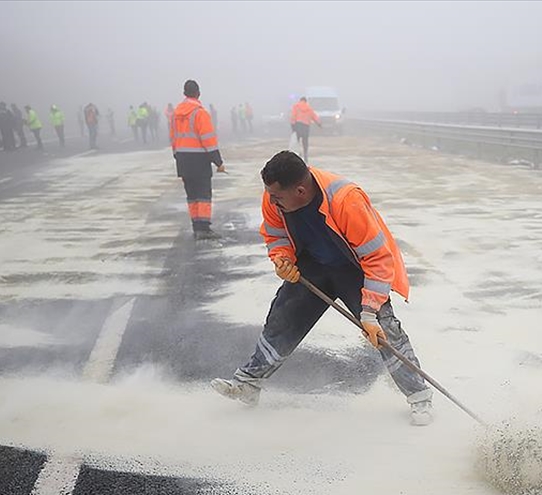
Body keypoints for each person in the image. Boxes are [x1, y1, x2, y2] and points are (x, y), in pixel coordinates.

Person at [209, 150, 435, 426]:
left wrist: (369, 313)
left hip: (356, 269)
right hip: (313, 266)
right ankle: (248, 383)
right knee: (283, 319)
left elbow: (378, 258)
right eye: (270, 195)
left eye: (278, 197)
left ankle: (420, 397)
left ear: (301, 191)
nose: (272, 201)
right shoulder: (274, 198)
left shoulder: (345, 199)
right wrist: (282, 259)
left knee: (385, 331)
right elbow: (275, 234)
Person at [169, 80, 226, 240]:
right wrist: (218, 161)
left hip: (182, 158)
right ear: (198, 93)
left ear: (184, 93)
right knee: (203, 194)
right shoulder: (200, 113)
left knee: (192, 194)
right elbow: (208, 139)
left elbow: (173, 137)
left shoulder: (176, 114)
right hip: (199, 159)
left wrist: (177, 155)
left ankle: (196, 226)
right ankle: (204, 228)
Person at [289, 96, 322, 161]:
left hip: (298, 125)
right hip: (306, 126)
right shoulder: (309, 108)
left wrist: (292, 125)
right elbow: (314, 116)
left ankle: (297, 153)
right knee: (305, 140)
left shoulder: (296, 106)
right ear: (306, 101)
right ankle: (305, 153)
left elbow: (293, 115)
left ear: (300, 100)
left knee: (297, 140)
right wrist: (319, 124)